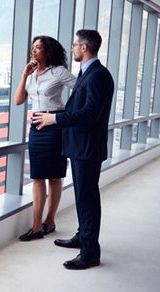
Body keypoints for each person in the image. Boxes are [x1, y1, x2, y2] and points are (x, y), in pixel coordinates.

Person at [32, 29, 115, 270]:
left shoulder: (98, 75)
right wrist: (55, 115)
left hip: (86, 148)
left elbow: (90, 113)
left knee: (87, 198)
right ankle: (83, 236)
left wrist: (55, 120)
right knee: (83, 196)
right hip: (81, 146)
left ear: (85, 48)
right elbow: (80, 109)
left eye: (75, 44)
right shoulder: (88, 73)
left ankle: (90, 252)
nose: (72, 48)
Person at [14, 36, 76, 242]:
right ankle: (36, 225)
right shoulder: (31, 75)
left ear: (48, 52)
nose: (34, 51)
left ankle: (50, 221)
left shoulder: (58, 72)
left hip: (54, 127)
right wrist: (24, 75)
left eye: (38, 48)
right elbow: (18, 100)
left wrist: (62, 115)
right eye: (33, 47)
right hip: (36, 129)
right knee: (37, 177)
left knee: (55, 176)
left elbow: (81, 88)